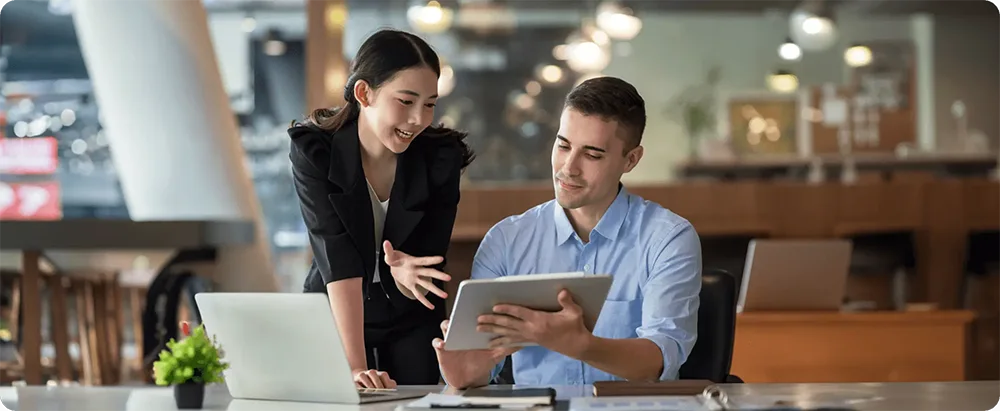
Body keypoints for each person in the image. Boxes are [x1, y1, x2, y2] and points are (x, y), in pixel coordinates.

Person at [433, 76, 701, 388]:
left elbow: (658, 360)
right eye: (563, 145)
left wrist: (579, 344)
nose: (569, 167)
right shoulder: (505, 240)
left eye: (592, 154)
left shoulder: (668, 238)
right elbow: (476, 372)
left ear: (631, 159)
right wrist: (463, 372)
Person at [288, 29, 474, 389]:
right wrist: (355, 368)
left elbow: (428, 264)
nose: (419, 118)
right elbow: (335, 257)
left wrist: (406, 277)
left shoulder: (440, 158)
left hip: (410, 315)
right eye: (406, 101)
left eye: (430, 104)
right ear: (364, 93)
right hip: (333, 309)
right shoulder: (315, 151)